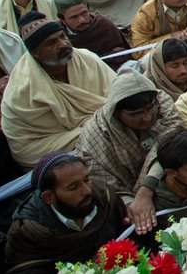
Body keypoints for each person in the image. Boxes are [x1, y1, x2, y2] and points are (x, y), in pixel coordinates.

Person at [1, 12, 117, 168]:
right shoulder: (22, 89)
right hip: (46, 142)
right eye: (51, 43)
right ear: (35, 53)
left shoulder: (86, 59)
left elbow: (117, 93)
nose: (62, 44)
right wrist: (96, 126)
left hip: (95, 126)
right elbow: (27, 143)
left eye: (63, 36)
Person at [4, 151, 127, 274]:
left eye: (86, 179)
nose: (87, 191)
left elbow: (132, 239)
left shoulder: (105, 198)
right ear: (49, 197)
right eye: (73, 187)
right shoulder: (28, 233)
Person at [75, 68, 177, 234]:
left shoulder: (161, 101)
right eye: (136, 114)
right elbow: (104, 184)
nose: (147, 118)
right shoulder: (96, 136)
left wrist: (146, 190)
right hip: (126, 204)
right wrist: (134, 206)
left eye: (149, 109)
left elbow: (171, 143)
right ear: (116, 113)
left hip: (164, 184)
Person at [54, 0, 128, 71]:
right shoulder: (58, 36)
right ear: (63, 20)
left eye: (84, 13)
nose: (82, 20)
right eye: (74, 17)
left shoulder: (103, 25)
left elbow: (121, 52)